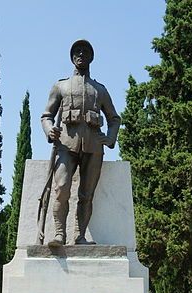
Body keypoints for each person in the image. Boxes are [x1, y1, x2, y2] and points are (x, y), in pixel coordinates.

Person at [40, 39, 121, 246]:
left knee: (86, 195)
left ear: (91, 57)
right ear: (72, 56)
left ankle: (80, 236)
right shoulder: (61, 86)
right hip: (66, 145)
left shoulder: (99, 90)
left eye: (85, 51)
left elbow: (114, 118)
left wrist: (110, 138)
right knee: (62, 188)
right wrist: (50, 131)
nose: (81, 54)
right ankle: (59, 234)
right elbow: (46, 115)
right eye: (77, 51)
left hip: (93, 147)